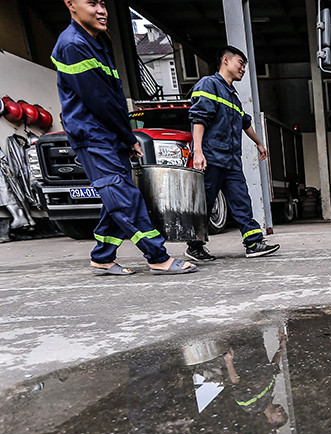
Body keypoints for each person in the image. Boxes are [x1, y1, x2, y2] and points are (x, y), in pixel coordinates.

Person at [51, 0, 197, 275]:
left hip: (105, 133)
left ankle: (102, 257)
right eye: (92, 3)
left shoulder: (94, 42)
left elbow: (110, 98)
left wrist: (123, 136)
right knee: (124, 196)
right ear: (70, 4)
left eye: (102, 3)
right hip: (93, 135)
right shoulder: (73, 45)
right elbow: (100, 100)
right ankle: (158, 256)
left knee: (116, 196)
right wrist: (128, 137)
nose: (101, 10)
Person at [185, 45, 280, 261]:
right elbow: (199, 118)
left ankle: (253, 243)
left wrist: (259, 143)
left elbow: (245, 123)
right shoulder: (209, 85)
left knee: (241, 200)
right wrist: (198, 151)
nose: (243, 68)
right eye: (240, 63)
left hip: (231, 161)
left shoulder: (233, 97)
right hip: (211, 158)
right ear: (225, 60)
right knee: (205, 204)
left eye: (244, 65)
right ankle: (194, 246)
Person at [223, 333, 289, 428]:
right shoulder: (269, 391)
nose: (282, 410)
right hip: (256, 339)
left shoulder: (250, 405)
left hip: (238, 349)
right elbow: (274, 367)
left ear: (270, 419)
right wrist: (282, 346)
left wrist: (229, 362)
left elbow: (236, 382)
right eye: (284, 411)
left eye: (280, 414)